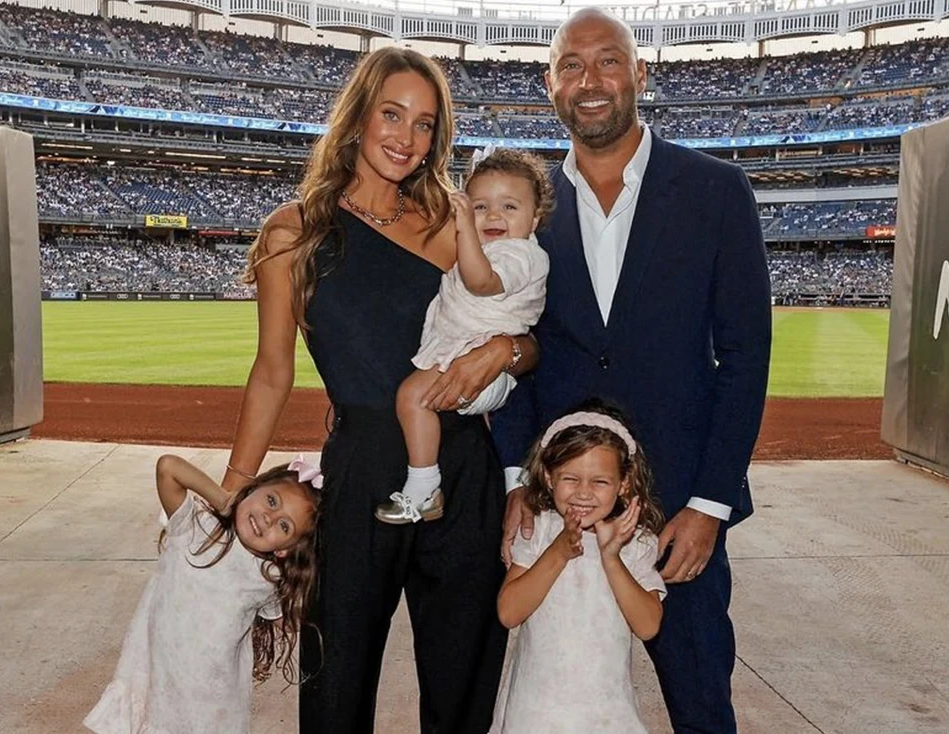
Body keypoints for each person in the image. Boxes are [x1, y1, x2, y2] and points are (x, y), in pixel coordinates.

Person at [223, 47, 536, 734]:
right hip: (360, 471)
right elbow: (273, 369)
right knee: (335, 681)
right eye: (392, 115)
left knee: (464, 683)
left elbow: (528, 334)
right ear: (359, 117)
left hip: (462, 473)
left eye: (425, 124)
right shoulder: (294, 230)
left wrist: (504, 350)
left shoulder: (454, 223)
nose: (407, 137)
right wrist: (235, 485)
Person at [492, 8, 772, 734]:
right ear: (549, 83)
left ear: (640, 73)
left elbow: (745, 356)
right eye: (573, 65)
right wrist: (516, 483)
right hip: (564, 504)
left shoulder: (717, 190)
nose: (592, 81)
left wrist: (710, 503)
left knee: (701, 699)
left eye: (608, 61)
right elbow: (512, 345)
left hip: (682, 500)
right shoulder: (529, 209)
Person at [84, 454, 322, 734]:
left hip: (213, 703)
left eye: (285, 526)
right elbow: (168, 468)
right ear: (255, 487)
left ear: (285, 549)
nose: (269, 518)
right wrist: (221, 498)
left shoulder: (267, 578)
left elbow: (290, 622)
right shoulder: (194, 527)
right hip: (156, 683)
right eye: (271, 500)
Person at [377, 148, 553, 524]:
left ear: (535, 218)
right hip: (473, 360)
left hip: (479, 365)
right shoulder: (497, 248)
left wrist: (463, 228)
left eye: (509, 207)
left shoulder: (521, 255)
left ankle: (424, 486)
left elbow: (480, 280)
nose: (493, 216)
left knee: (412, 398)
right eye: (480, 207)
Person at [491, 400, 666, 733]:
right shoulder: (538, 529)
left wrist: (611, 556)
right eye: (571, 478)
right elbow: (509, 612)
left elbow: (647, 626)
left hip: (606, 712)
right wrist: (558, 551)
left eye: (600, 482)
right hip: (536, 710)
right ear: (548, 476)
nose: (583, 494)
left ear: (624, 483)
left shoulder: (635, 541)